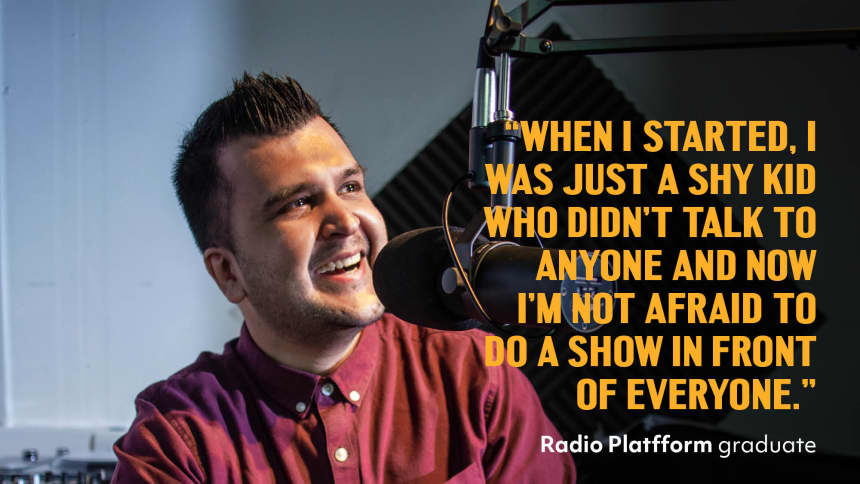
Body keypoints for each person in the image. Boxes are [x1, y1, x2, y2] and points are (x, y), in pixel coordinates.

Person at [112, 73, 575, 483]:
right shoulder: (174, 445)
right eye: (297, 203)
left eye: (350, 187)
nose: (347, 220)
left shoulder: (474, 374)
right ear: (229, 272)